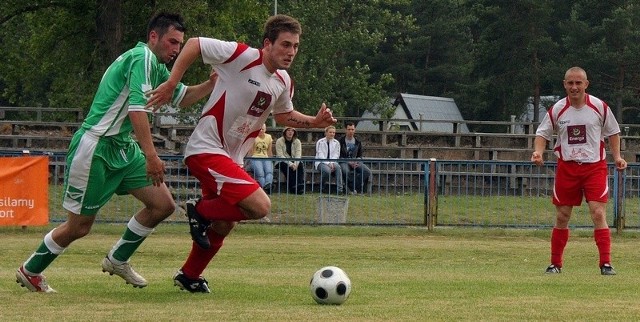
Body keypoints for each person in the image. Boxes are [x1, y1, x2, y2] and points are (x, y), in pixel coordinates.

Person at [15, 12, 217, 293]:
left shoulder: (153, 66)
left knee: (163, 205)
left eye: (180, 45)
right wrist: (151, 156)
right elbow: (137, 109)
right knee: (79, 227)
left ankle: (117, 259)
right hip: (96, 147)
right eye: (172, 42)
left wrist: (211, 84)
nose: (176, 50)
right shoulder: (142, 58)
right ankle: (30, 270)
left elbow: (180, 97)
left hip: (122, 147)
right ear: (153, 37)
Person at [144, 14, 336, 293]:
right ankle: (197, 210)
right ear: (267, 44)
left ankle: (189, 276)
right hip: (206, 150)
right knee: (261, 206)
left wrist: (315, 123)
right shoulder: (242, 55)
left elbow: (283, 116)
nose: (291, 52)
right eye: (285, 45)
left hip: (231, 159)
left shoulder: (283, 80)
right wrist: (173, 83)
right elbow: (195, 44)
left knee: (226, 222)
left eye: (295, 46)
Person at [531, 66, 627, 276]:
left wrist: (618, 157)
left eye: (578, 83)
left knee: (598, 212)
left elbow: (613, 132)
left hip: (594, 167)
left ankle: (606, 263)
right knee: (563, 215)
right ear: (565, 85)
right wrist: (538, 152)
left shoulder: (599, 107)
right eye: (570, 83)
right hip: (567, 167)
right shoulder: (557, 109)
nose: (574, 87)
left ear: (586, 84)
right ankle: (555, 264)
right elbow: (542, 134)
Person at [338, 121, 371, 194]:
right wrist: (349, 162)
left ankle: (352, 187)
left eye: (352, 129)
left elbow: (360, 155)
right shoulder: (340, 141)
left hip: (355, 161)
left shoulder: (358, 141)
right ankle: (351, 189)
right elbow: (338, 155)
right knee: (345, 171)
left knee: (367, 171)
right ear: (345, 130)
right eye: (349, 129)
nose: (350, 131)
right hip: (344, 161)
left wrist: (356, 161)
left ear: (354, 130)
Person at [275, 126, 306, 194]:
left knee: (300, 165)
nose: (290, 132)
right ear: (285, 132)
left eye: (292, 131)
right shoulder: (279, 141)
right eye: (288, 130)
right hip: (281, 161)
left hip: (294, 160)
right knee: (287, 167)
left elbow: (298, 154)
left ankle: (300, 185)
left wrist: (296, 163)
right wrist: (290, 164)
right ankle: (292, 187)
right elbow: (280, 155)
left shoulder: (297, 141)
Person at [315, 125, 344, 194]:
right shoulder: (320, 142)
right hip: (321, 162)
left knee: (338, 167)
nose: (332, 134)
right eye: (330, 132)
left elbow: (336, 155)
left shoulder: (336, 143)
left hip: (333, 162)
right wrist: (328, 163)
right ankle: (321, 188)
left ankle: (339, 190)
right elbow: (320, 155)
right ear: (326, 133)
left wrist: (332, 163)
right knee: (327, 171)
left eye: (333, 132)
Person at [248, 124, 274, 193]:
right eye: (260, 129)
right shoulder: (253, 137)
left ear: (265, 130)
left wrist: (271, 160)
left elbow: (269, 150)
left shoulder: (269, 137)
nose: (261, 130)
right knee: (260, 174)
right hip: (255, 157)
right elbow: (251, 151)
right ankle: (265, 189)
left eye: (263, 129)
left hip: (266, 157)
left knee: (269, 172)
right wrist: (250, 160)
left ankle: (268, 186)